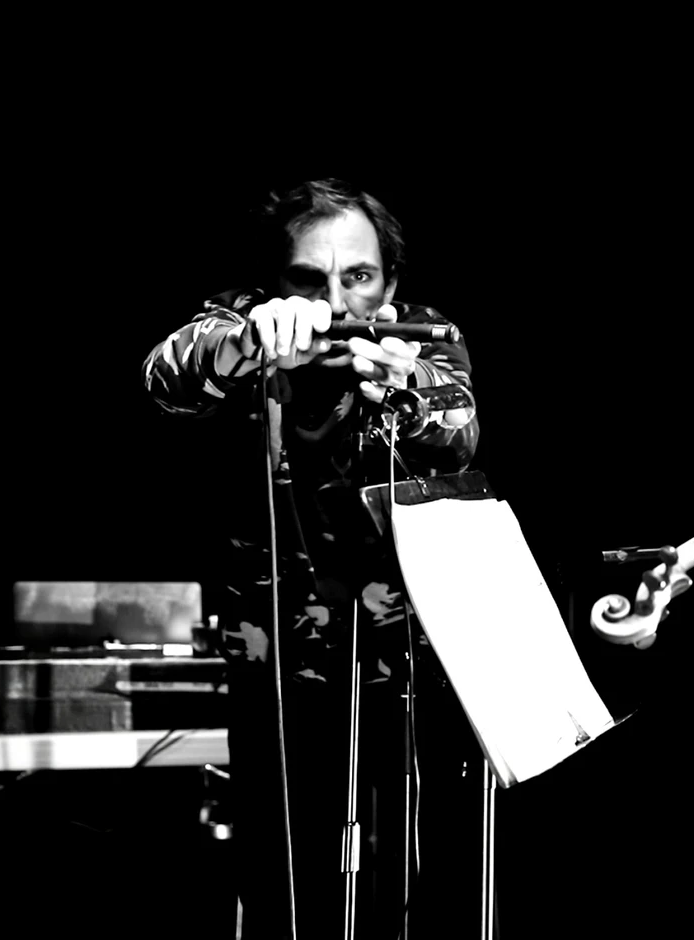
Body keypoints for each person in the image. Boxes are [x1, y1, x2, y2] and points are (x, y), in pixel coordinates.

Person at [141, 178, 480, 937]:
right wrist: (248, 342)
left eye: (358, 277)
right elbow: (165, 375)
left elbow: (458, 431)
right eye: (308, 279)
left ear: (389, 280)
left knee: (403, 880)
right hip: (273, 661)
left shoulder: (420, 333)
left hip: (397, 664)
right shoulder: (240, 321)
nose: (334, 301)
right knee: (280, 882)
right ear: (274, 283)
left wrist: (404, 387)